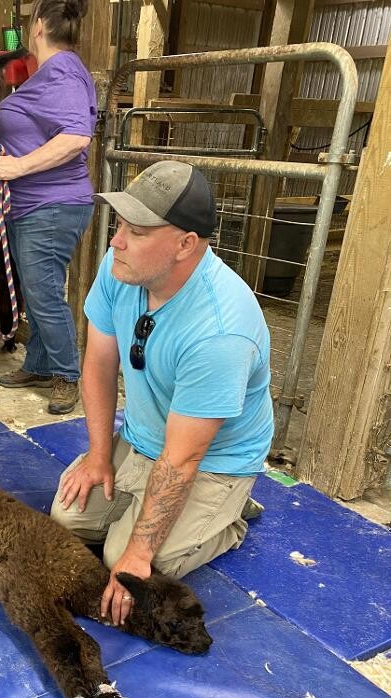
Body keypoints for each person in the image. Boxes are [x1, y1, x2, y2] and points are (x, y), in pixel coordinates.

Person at [50, 160, 274, 626]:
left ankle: (229, 514)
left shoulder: (220, 331)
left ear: (185, 244)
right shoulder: (121, 269)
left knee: (130, 563)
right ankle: (171, 511)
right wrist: (97, 455)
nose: (116, 241)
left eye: (137, 230)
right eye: (119, 224)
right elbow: (98, 361)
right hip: (143, 437)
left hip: (211, 460)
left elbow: (184, 458)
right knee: (67, 520)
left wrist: (137, 552)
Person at [0, 0, 96, 415]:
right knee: (36, 291)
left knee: (45, 294)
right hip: (31, 206)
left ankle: (67, 375)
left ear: (36, 28)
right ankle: (40, 363)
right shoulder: (49, 73)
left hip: (51, 205)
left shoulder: (63, 71)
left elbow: (75, 138)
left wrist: (18, 166)